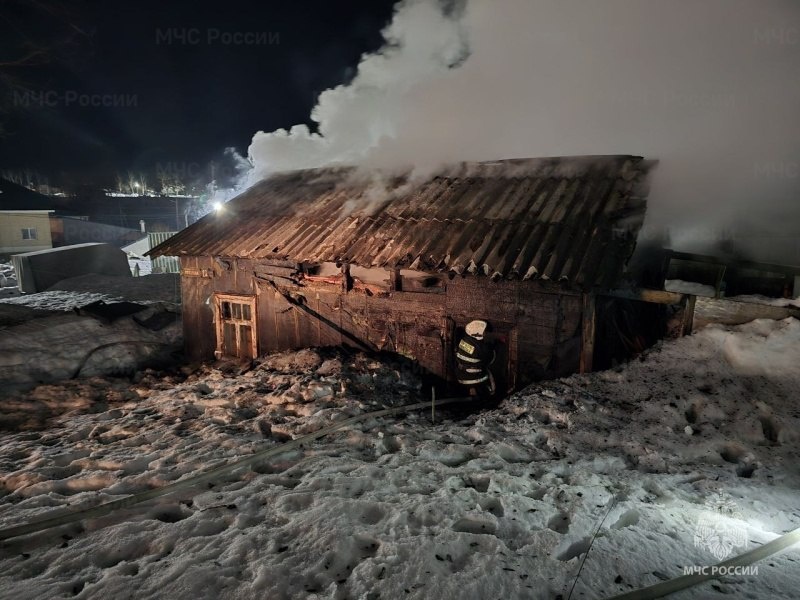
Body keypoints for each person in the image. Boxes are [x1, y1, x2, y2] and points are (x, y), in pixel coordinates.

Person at [455, 319, 496, 399]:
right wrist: (492, 347)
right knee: (489, 375)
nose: (485, 333)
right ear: (477, 333)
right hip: (475, 379)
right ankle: (491, 393)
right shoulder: (482, 348)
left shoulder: (463, 340)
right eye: (484, 332)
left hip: (460, 375)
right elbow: (489, 360)